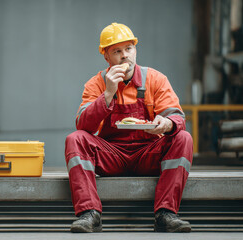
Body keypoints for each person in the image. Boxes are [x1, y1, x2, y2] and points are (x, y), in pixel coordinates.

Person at [65, 22, 193, 233]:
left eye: (129, 49)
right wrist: (108, 94)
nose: (125, 56)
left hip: (148, 153)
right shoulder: (96, 84)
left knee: (183, 138)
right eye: (117, 51)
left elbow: (176, 115)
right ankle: (90, 214)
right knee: (74, 138)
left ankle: (166, 213)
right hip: (112, 155)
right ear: (106, 57)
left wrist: (167, 124)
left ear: (135, 49)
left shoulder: (155, 79)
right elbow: (83, 124)